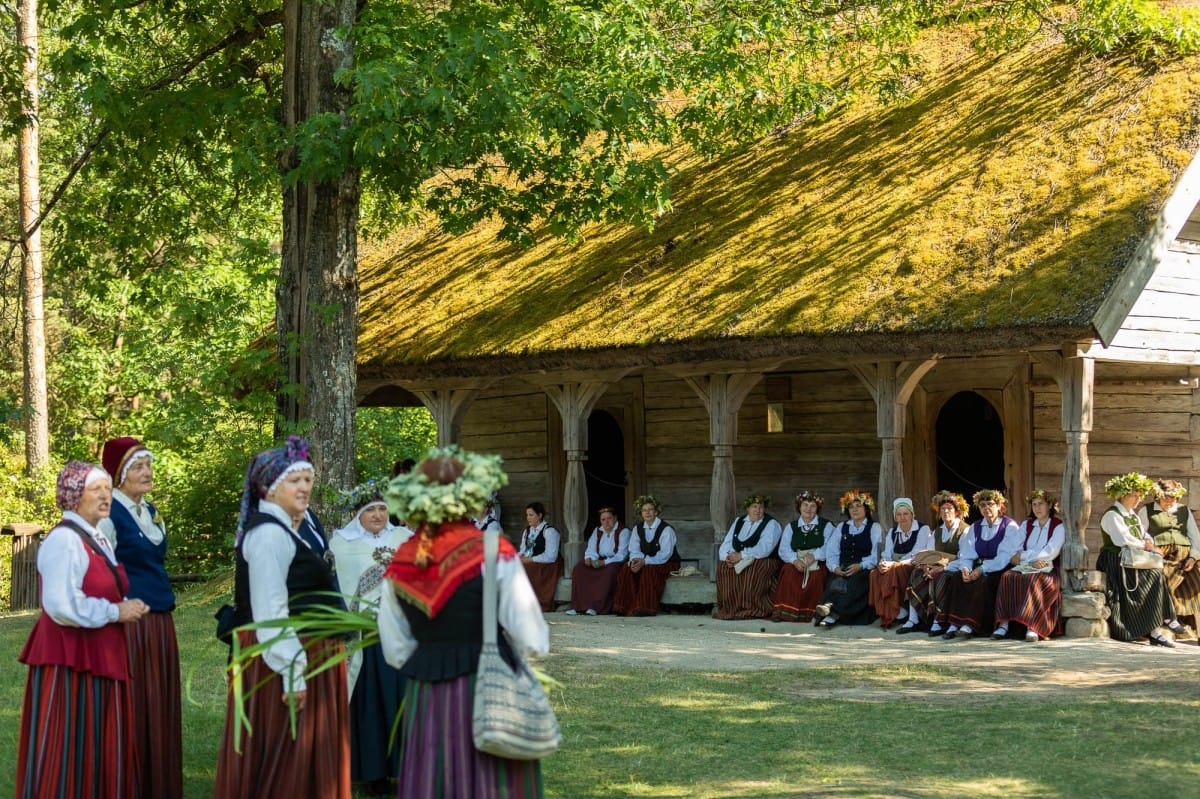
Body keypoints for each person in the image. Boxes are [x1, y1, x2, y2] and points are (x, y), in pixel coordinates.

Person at [377, 447, 548, 797]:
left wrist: (430, 658)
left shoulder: (402, 562)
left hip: (428, 690)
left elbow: (395, 647)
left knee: (434, 780)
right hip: (488, 681)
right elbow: (531, 634)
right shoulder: (492, 550)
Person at [212, 436, 351, 798]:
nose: (305, 487)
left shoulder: (289, 529)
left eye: (308, 479)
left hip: (307, 653)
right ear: (270, 488)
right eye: (295, 480)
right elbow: (270, 613)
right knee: (286, 760)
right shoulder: (270, 536)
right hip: (286, 659)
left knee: (299, 761)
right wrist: (294, 674)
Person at [16, 461, 150, 799]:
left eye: (107, 487)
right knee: (70, 745)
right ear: (74, 496)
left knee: (96, 741)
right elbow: (61, 605)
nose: (106, 495)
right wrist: (114, 611)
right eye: (96, 489)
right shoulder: (64, 540)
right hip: (71, 660)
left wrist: (122, 605)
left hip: (97, 653)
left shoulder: (97, 536)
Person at [96, 436, 183, 799]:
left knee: (158, 704)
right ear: (118, 475)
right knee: (136, 704)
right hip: (131, 624)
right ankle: (130, 782)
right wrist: (119, 608)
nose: (147, 473)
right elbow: (101, 570)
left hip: (160, 620)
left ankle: (157, 782)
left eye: (148, 465)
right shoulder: (107, 514)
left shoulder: (149, 509)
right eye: (137, 467)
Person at [329, 479, 414, 797]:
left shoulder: (405, 538)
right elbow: (339, 589)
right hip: (367, 638)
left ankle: (407, 768)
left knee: (404, 700)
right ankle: (374, 772)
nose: (378, 515)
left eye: (382, 509)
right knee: (373, 704)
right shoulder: (342, 543)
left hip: (403, 633)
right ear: (358, 514)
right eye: (370, 510)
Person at [1098, 472, 1178, 647]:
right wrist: (1147, 546)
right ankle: (1159, 625)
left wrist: (1148, 540)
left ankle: (1159, 626)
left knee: (1157, 574)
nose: (1138, 499)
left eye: (1140, 495)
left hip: (1133, 558)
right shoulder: (1113, 515)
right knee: (1154, 576)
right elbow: (1123, 540)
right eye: (1134, 495)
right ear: (1123, 495)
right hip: (1117, 560)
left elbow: (1143, 533)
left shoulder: (1132, 514)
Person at [933, 489, 1020, 639]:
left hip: (999, 567)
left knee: (983, 582)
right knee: (957, 578)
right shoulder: (976, 527)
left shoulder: (1009, 526)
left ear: (999, 506)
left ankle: (970, 625)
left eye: (991, 504)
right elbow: (967, 552)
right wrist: (965, 568)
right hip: (978, 566)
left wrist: (981, 569)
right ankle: (954, 623)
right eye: (983, 505)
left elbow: (1004, 556)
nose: (987, 508)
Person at [992, 489, 1065, 642]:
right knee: (1007, 577)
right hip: (1028, 566)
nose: (1037, 508)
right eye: (1034, 504)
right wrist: (1028, 558)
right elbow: (1014, 549)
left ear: (1050, 505)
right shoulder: (1027, 525)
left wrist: (1024, 556)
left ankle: (1032, 626)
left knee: (1032, 580)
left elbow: (1050, 552)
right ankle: (1004, 625)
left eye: (1041, 504)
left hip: (1048, 569)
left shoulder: (1058, 526)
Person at [898, 490, 970, 634]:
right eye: (943, 509)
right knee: (917, 573)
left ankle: (938, 620)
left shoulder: (965, 530)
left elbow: (965, 557)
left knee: (940, 578)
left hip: (955, 568)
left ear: (957, 511)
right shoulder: (938, 531)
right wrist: (925, 566)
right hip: (935, 567)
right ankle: (913, 619)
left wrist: (943, 568)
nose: (945, 511)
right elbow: (929, 552)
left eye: (950, 508)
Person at [1138, 479, 1200, 635]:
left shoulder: (1184, 510)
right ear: (1158, 497)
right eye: (1165, 498)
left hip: (1185, 557)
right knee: (1165, 579)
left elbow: (1195, 537)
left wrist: (1193, 558)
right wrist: (1152, 549)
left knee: (1197, 582)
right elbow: (1141, 535)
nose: (1169, 502)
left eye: (1172, 498)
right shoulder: (1147, 511)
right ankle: (1167, 617)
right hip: (1160, 556)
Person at [814, 490, 881, 628]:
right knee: (835, 583)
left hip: (863, 568)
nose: (855, 510)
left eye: (858, 506)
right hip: (843, 565)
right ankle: (831, 611)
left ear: (866, 509)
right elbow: (832, 551)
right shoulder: (841, 527)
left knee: (854, 584)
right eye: (851, 507)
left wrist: (861, 566)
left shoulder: (874, 528)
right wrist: (835, 567)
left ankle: (831, 612)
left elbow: (876, 554)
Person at [713, 494, 783, 620]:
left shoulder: (771, 524)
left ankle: (752, 609)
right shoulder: (739, 522)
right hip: (739, 558)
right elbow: (727, 543)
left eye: (761, 507)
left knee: (753, 570)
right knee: (724, 567)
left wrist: (741, 555)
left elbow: (764, 549)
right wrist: (728, 557)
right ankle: (730, 608)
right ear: (747, 508)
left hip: (764, 559)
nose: (757, 510)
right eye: (754, 507)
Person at [868, 497, 932, 629]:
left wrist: (893, 564)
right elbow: (886, 553)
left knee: (898, 569)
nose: (902, 517)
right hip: (894, 565)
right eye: (899, 514)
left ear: (912, 515)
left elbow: (917, 554)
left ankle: (899, 609)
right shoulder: (892, 532)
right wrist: (883, 562)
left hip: (913, 564)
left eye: (906, 514)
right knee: (875, 573)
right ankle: (894, 610)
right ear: (895, 517)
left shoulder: (923, 529)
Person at [771, 491, 836, 622]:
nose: (808, 509)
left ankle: (812, 613)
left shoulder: (826, 525)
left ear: (817, 508)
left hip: (818, 560)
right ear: (799, 507)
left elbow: (830, 546)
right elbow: (784, 549)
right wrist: (794, 560)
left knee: (816, 577)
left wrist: (814, 556)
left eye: (812, 506)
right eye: (805, 505)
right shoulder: (792, 527)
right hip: (797, 559)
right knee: (789, 572)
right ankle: (785, 612)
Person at [613, 495, 680, 617]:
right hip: (644, 561)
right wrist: (636, 560)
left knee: (648, 570)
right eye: (644, 510)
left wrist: (645, 562)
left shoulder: (666, 530)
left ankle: (644, 607)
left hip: (666, 562)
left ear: (655, 512)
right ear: (641, 514)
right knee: (626, 569)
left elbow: (665, 554)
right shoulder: (637, 529)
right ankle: (623, 606)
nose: (647, 512)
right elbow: (634, 549)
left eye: (650, 510)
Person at [566, 507, 630, 616]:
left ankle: (597, 607)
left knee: (608, 573)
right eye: (603, 519)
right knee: (579, 568)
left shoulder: (624, 531)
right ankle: (578, 606)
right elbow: (591, 548)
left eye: (609, 518)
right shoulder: (598, 531)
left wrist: (604, 563)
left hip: (615, 562)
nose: (606, 522)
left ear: (615, 518)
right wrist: (590, 558)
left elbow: (622, 555)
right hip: (599, 560)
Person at [518, 502, 563, 611]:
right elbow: (523, 550)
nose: (528, 518)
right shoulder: (527, 530)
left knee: (527, 569)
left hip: (548, 564)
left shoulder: (549, 531)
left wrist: (530, 560)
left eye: (531, 515)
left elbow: (551, 556)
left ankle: (533, 604)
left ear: (540, 515)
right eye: (527, 515)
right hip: (531, 560)